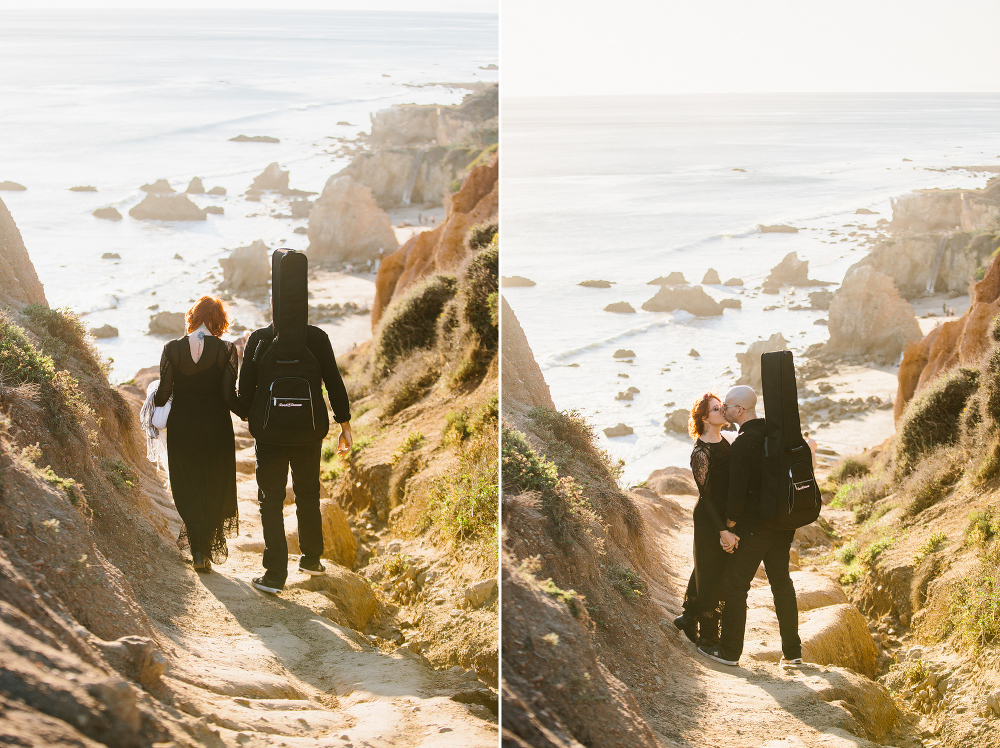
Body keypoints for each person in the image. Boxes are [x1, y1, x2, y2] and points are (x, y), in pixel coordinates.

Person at [237, 298, 353, 595]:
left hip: (270, 436)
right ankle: (311, 559)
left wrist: (254, 414)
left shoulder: (259, 340)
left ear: (274, 301)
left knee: (271, 500)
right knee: (308, 492)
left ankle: (275, 575)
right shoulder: (317, 338)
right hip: (308, 432)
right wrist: (345, 425)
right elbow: (334, 383)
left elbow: (245, 391)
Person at [698, 385, 802, 668]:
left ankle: (730, 652)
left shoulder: (744, 443)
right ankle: (793, 652)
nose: (724, 410)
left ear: (739, 411)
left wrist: (729, 526)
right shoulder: (775, 432)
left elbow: (737, 493)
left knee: (735, 584)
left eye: (727, 406)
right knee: (781, 583)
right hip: (782, 523)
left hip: (756, 527)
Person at [153, 296, 240, 573]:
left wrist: (153, 398)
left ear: (193, 317)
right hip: (216, 429)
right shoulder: (227, 350)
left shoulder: (171, 349)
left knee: (187, 484)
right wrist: (249, 412)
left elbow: (163, 395)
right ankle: (207, 548)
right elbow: (229, 396)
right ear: (217, 322)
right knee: (213, 485)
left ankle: (199, 552)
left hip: (183, 428)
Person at [673, 393, 740, 647]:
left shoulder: (723, 439)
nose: (722, 410)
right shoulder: (700, 452)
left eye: (721, 406)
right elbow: (707, 497)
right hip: (709, 519)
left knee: (707, 567)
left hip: (722, 516)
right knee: (710, 570)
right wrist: (722, 530)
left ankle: (688, 616)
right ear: (704, 418)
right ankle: (708, 636)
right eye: (715, 409)